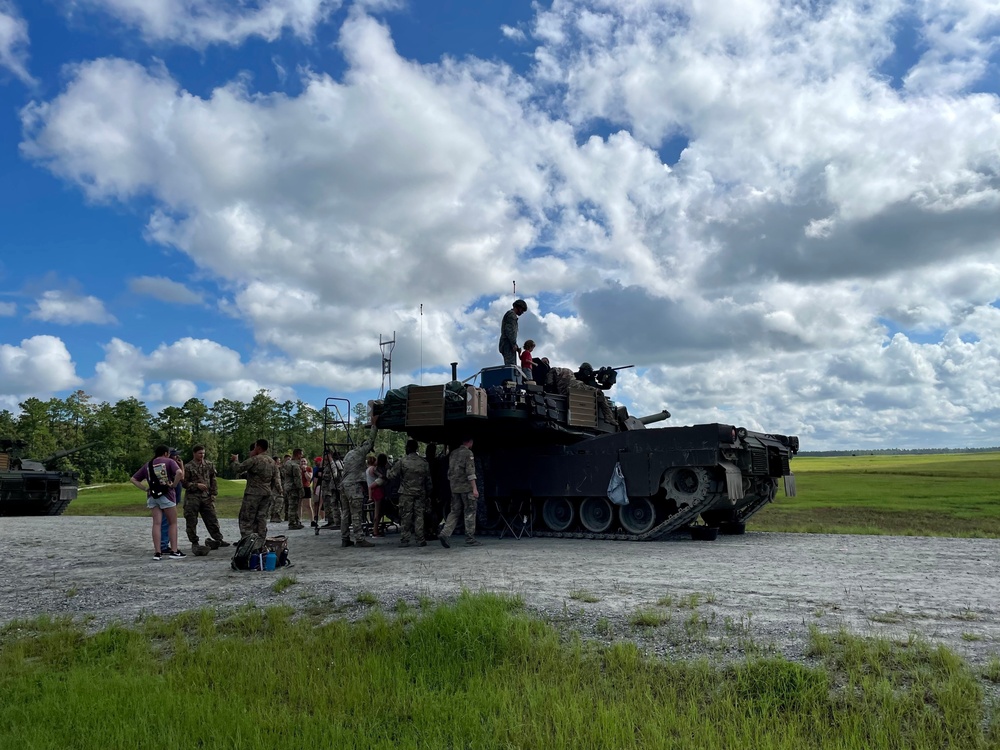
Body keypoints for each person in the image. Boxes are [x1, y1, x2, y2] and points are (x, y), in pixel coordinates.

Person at [131, 444, 185, 560]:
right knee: (172, 523)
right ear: (166, 453)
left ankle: (157, 552)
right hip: (167, 495)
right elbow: (179, 473)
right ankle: (174, 551)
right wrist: (174, 484)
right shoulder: (169, 462)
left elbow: (133, 479)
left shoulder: (148, 464)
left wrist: (145, 488)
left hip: (152, 496)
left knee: (156, 524)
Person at [181, 444, 229, 553]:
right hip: (192, 497)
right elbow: (184, 483)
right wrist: (196, 485)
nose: (202, 455)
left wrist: (213, 494)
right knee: (191, 520)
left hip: (206, 496)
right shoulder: (188, 467)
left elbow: (213, 480)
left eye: (203, 453)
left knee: (212, 518)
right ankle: (194, 541)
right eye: (199, 453)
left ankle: (218, 539)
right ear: (194, 454)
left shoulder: (209, 465)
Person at [340, 416, 379, 548]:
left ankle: (345, 538)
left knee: (345, 513)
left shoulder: (349, 453)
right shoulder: (361, 452)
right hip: (353, 485)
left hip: (344, 485)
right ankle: (359, 538)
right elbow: (370, 440)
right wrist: (374, 426)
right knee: (356, 513)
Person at [231, 439, 280, 539]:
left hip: (253, 494)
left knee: (247, 517)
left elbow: (238, 468)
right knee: (262, 517)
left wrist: (235, 460)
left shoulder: (255, 460)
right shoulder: (272, 462)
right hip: (266, 493)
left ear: (258, 447)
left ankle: (247, 540)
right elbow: (276, 479)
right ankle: (260, 539)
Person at [387, 439, 431, 547]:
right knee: (419, 516)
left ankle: (405, 540)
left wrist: (387, 470)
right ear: (417, 448)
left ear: (407, 448)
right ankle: (420, 539)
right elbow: (428, 480)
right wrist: (429, 493)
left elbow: (391, 476)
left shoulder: (402, 461)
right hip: (420, 493)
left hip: (406, 493)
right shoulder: (423, 462)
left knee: (406, 516)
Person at [439, 437, 480, 548]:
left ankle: (445, 533)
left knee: (454, 511)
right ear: (470, 442)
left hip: (454, 488)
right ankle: (470, 539)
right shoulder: (468, 453)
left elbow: (449, 472)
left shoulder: (453, 453)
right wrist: (475, 488)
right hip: (466, 488)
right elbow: (470, 472)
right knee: (470, 511)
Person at [548, 366, 618, 424]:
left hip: (566, 391)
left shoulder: (563, 376)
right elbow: (551, 378)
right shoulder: (560, 369)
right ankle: (608, 417)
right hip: (574, 385)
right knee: (599, 393)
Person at [159, 447, 184, 553]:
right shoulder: (168, 465)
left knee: (167, 521)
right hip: (168, 497)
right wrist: (181, 467)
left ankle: (164, 543)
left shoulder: (172, 465)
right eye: (175, 455)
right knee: (166, 521)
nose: (177, 457)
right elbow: (181, 476)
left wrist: (180, 466)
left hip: (173, 498)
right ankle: (163, 544)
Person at [498, 299, 527, 366]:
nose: (522, 312)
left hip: (507, 342)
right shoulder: (512, 315)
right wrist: (513, 344)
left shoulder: (510, 314)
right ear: (519, 307)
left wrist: (516, 346)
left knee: (511, 365)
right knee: (511, 365)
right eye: (522, 310)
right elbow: (510, 331)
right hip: (507, 343)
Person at [282, 449, 305, 530]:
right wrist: (301, 489)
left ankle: (296, 521)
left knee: (292, 505)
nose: (301, 457)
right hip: (293, 487)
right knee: (293, 505)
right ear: (298, 454)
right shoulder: (295, 465)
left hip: (287, 486)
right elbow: (297, 479)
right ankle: (292, 523)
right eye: (301, 455)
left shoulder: (287, 463)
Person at [367, 453, 389, 537]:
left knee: (378, 512)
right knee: (378, 512)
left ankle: (375, 529)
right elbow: (382, 478)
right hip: (377, 490)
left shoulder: (368, 469)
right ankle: (375, 530)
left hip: (374, 491)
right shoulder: (375, 470)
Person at [321, 449, 343, 529]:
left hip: (333, 487)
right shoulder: (328, 464)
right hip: (329, 488)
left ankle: (336, 521)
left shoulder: (334, 464)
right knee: (330, 505)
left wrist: (324, 476)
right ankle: (331, 521)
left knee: (334, 505)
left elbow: (334, 475)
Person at [311, 456, 324, 527]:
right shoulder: (316, 469)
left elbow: (315, 481)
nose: (315, 462)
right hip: (319, 487)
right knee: (317, 503)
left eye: (317, 461)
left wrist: (314, 488)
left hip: (319, 487)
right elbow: (315, 480)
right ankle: (316, 515)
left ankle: (317, 515)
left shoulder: (319, 470)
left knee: (319, 503)